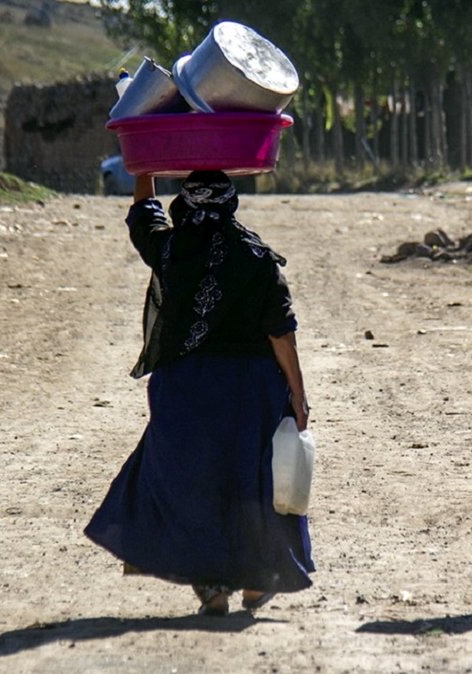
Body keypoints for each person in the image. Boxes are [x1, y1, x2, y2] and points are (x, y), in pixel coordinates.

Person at [85, 170, 314, 616]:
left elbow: (142, 216)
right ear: (232, 204)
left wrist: (144, 169)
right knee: (251, 482)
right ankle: (254, 581)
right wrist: (298, 396)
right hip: (251, 391)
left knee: (190, 482)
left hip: (185, 388)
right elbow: (281, 335)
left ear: (185, 205)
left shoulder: (170, 250)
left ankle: (211, 587)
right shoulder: (258, 257)